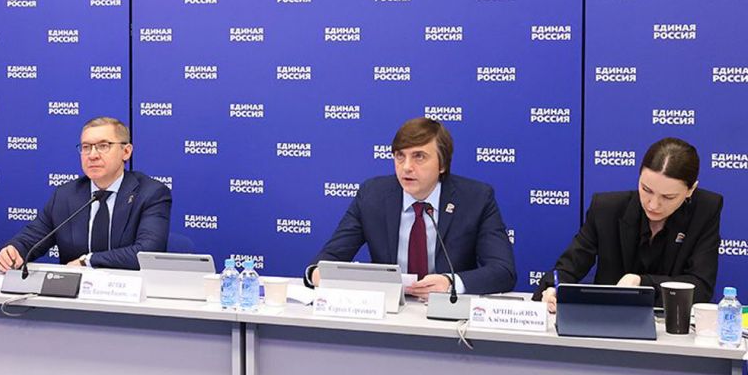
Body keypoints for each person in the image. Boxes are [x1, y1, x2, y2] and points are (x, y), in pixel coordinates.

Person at [306, 117, 516, 296]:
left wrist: (450, 283)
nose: (406, 167)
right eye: (400, 156)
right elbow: (327, 259)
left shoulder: (476, 199)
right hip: (390, 312)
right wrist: (317, 274)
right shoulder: (372, 195)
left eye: (419, 157)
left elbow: (503, 271)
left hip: (449, 314)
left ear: (442, 164)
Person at [533, 137, 722, 311]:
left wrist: (641, 283)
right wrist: (552, 289)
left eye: (668, 197)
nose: (653, 204)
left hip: (674, 324)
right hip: (607, 321)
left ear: (691, 190)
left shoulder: (705, 210)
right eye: (646, 189)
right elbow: (569, 266)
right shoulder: (606, 209)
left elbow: (701, 287)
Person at [0, 117, 170, 271]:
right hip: (74, 293)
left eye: (103, 146)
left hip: (129, 291)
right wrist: (14, 250)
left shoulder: (150, 193)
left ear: (126, 152)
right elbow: (32, 239)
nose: (92, 155)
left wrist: (88, 261)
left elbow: (147, 252)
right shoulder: (66, 195)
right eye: (86, 147)